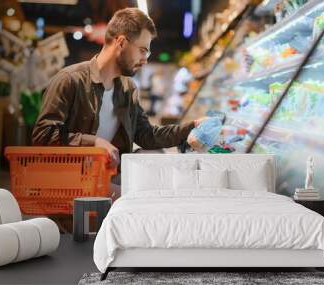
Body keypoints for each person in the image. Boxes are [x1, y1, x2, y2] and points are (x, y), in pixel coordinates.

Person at [32, 8, 205, 199]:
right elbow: (43, 134)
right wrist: (94, 143)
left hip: (106, 177)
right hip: (70, 183)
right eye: (142, 51)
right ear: (121, 42)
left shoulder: (127, 89)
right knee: (138, 202)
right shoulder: (70, 80)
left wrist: (193, 127)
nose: (145, 60)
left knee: (155, 156)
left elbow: (147, 135)